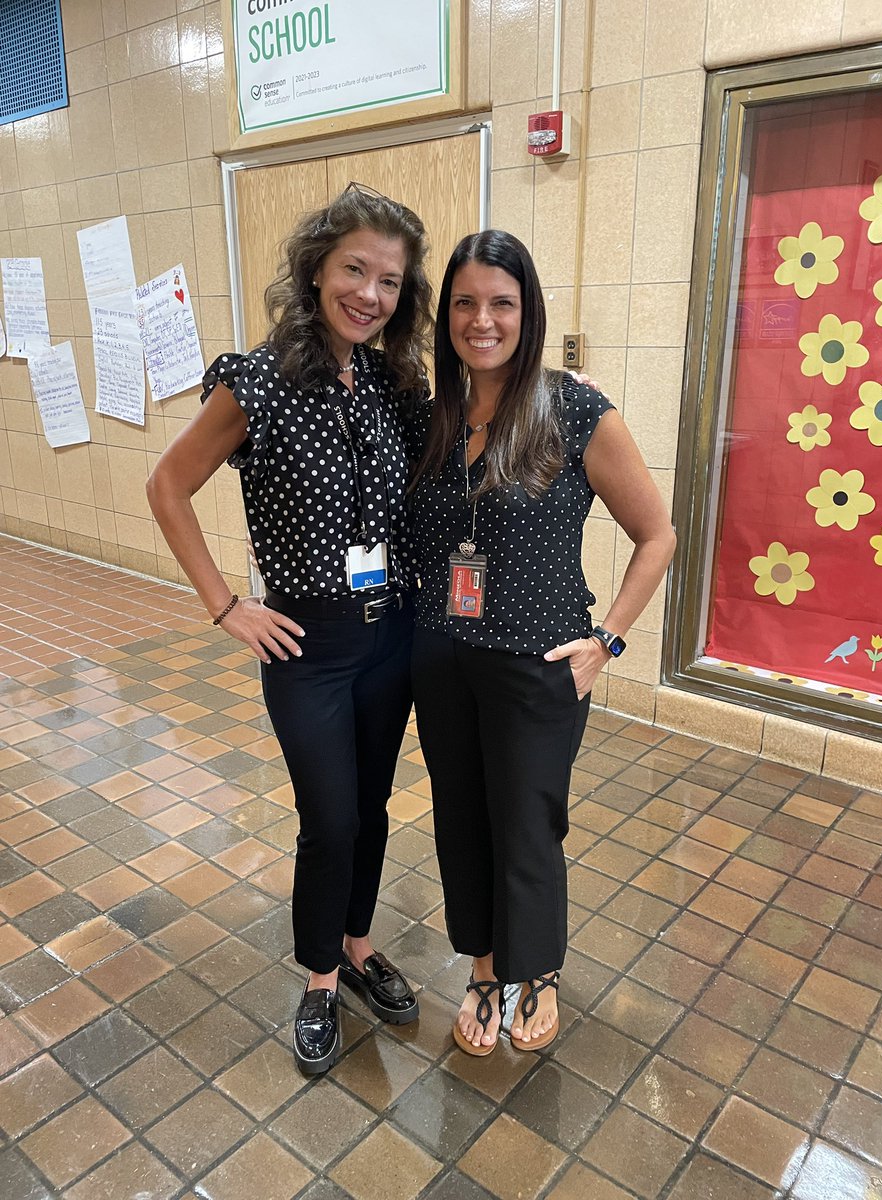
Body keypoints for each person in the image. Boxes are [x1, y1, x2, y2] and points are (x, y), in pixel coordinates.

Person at [146, 185, 432, 1075]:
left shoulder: (392, 382)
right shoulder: (258, 380)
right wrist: (226, 606)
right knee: (330, 817)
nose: (371, 294)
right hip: (306, 647)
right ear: (316, 270)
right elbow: (167, 486)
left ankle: (354, 946)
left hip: (391, 636)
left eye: (389, 280)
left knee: (375, 810)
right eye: (355, 269)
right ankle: (316, 978)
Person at [408, 230, 677, 1056]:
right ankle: (487, 971)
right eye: (464, 302)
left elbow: (658, 534)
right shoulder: (434, 417)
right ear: (445, 314)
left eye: (501, 303)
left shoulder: (574, 409)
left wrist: (610, 640)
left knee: (527, 823)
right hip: (442, 656)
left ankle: (540, 970)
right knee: (461, 818)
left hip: (540, 661)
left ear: (527, 312)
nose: (481, 319)